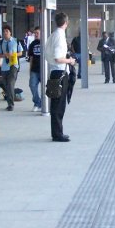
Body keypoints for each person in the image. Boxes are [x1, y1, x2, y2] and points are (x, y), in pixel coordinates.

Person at [44, 12, 76, 142]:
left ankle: (58, 132)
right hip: (60, 74)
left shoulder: (53, 35)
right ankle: (57, 134)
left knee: (57, 104)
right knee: (58, 105)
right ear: (66, 23)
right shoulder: (59, 37)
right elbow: (58, 58)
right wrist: (70, 61)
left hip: (54, 73)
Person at [0, 24, 22, 111]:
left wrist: (13, 55)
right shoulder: (1, 42)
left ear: (10, 32)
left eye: (7, 31)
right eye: (4, 32)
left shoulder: (15, 41)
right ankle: (11, 98)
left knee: (10, 83)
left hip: (13, 65)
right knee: (5, 84)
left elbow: (21, 53)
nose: (5, 33)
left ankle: (11, 104)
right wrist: (5, 55)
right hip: (5, 66)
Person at [27, 26, 42, 112]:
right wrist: (30, 70)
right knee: (32, 85)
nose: (36, 35)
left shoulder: (45, 43)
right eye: (35, 33)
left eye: (37, 33)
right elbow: (31, 58)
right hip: (34, 70)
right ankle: (37, 102)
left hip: (44, 69)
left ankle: (45, 103)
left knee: (45, 88)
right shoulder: (32, 44)